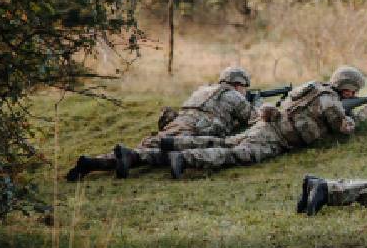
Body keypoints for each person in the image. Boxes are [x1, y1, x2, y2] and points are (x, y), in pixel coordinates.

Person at [158, 66, 365, 179]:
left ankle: (173, 144)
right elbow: (344, 128)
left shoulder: (314, 87)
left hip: (267, 124)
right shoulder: (330, 102)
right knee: (239, 154)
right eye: (354, 90)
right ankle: (185, 159)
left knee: (227, 142)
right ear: (347, 87)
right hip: (278, 138)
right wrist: (364, 113)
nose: (354, 94)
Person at [65, 66, 257, 181]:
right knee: (161, 154)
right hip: (197, 128)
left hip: (179, 121)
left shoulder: (203, 89)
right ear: (239, 84)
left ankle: (93, 162)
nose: (244, 91)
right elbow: (253, 118)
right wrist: (255, 103)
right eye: (244, 87)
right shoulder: (234, 96)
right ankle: (129, 157)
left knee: (149, 144)